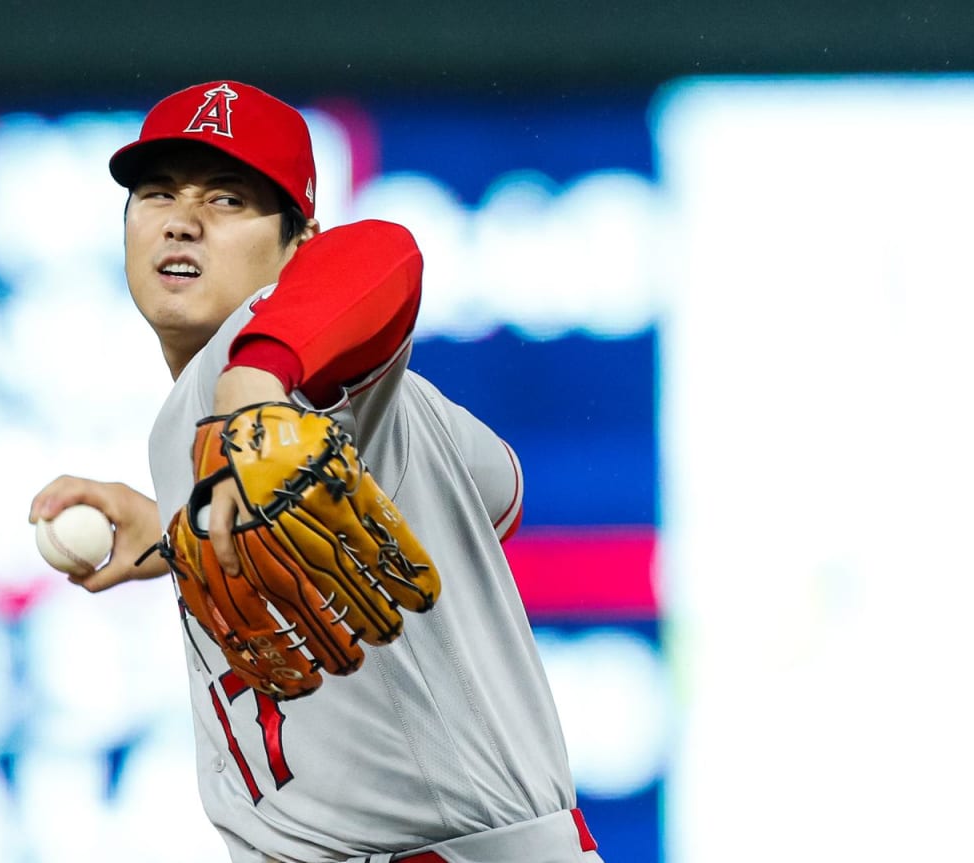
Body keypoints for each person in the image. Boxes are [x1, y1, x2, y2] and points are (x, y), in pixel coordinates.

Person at [30, 80, 602, 863]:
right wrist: (179, 533)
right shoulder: (364, 408)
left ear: (300, 244)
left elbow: (383, 250)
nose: (183, 219)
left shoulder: (267, 377)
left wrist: (257, 380)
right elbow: (499, 495)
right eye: (157, 192)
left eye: (229, 200)